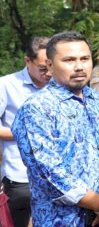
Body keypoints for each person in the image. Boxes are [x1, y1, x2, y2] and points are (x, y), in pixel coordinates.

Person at [12, 31, 99, 226]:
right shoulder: (37, 108)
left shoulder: (98, 100)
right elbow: (47, 171)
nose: (79, 66)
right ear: (49, 65)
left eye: (85, 58)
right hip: (62, 219)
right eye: (69, 60)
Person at [0, 36, 51, 227]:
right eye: (42, 68)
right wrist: (26, 133)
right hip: (21, 177)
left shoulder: (60, 86)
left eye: (51, 67)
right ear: (27, 61)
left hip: (57, 177)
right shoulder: (6, 85)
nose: (48, 74)